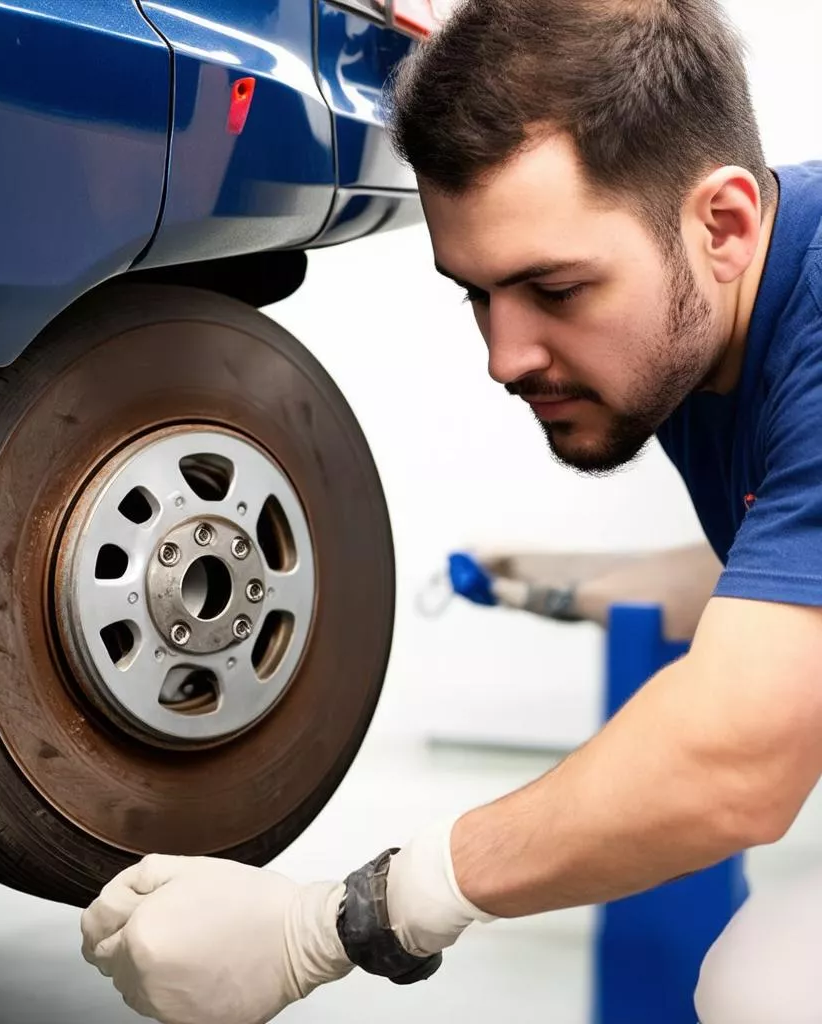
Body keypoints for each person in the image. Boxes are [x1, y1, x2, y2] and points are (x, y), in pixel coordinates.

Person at [79, 1, 822, 1021]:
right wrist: (567, 584)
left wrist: (335, 923)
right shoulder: (718, 340)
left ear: (723, 226)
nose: (503, 357)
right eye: (476, 294)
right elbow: (786, 579)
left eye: (553, 288)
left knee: (768, 992)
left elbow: (738, 761)